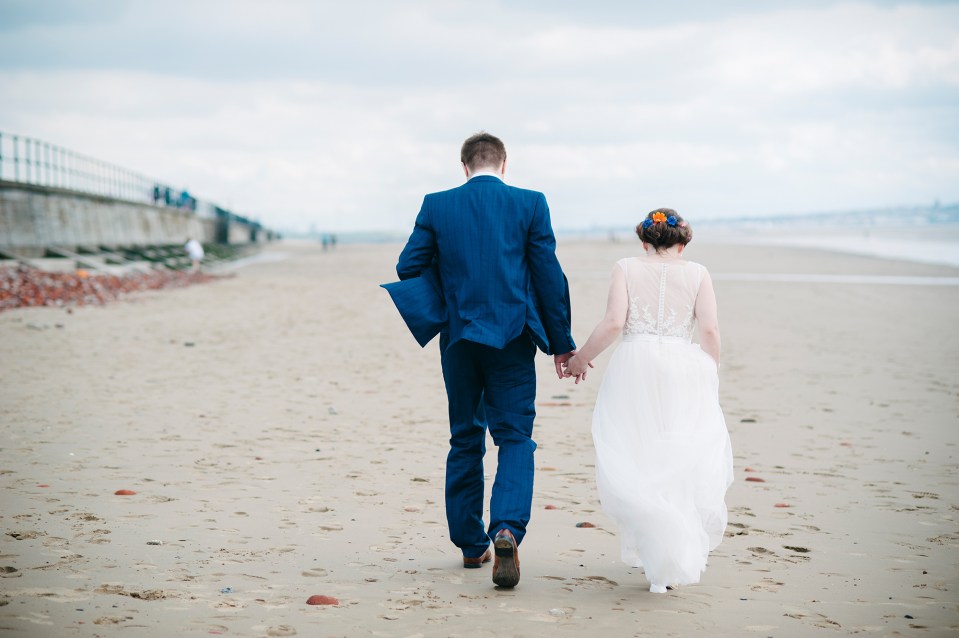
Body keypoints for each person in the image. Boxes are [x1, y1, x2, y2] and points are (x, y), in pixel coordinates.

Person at [393, 132, 578, 588]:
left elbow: (408, 266)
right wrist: (561, 342)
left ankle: (471, 543)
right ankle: (507, 529)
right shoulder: (530, 203)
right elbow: (548, 275)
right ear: (504, 163)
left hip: (458, 340)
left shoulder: (436, 205)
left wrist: (449, 301)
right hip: (513, 338)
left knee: (465, 437)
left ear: (464, 166)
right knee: (515, 437)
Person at [563, 209, 733, 594]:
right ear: (684, 242)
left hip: (634, 364)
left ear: (644, 241)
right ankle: (664, 564)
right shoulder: (698, 273)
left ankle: (657, 554)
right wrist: (711, 371)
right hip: (682, 366)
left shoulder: (625, 267)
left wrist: (580, 358)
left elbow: (613, 324)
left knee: (636, 453)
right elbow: (708, 328)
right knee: (677, 454)